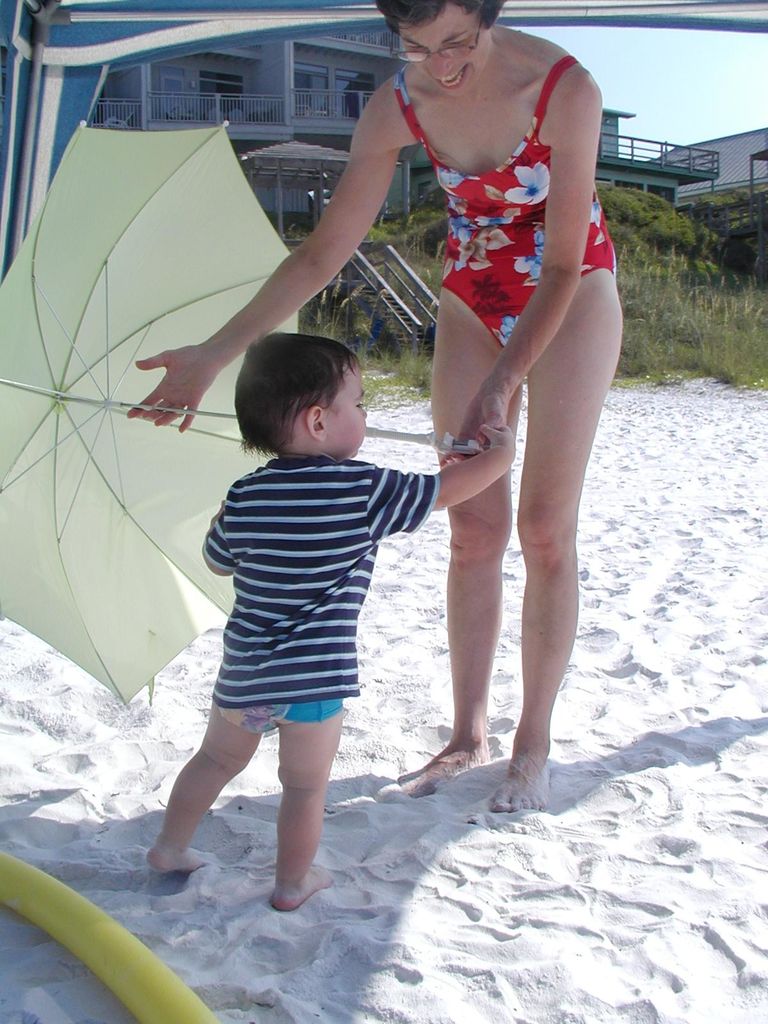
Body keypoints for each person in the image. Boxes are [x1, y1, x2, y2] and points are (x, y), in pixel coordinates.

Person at [130, 0, 623, 814]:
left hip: (573, 295)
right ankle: (469, 733)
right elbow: (324, 251)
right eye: (418, 45)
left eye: (460, 41)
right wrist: (215, 354)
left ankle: (533, 741)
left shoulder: (564, 88)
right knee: (472, 529)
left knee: (543, 527)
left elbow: (564, 267)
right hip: (472, 293)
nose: (443, 63)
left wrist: (503, 382)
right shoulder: (396, 107)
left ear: (491, 15)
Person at [147, 332, 515, 910]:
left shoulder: (245, 494)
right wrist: (501, 455)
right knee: (304, 786)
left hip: (245, 673)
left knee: (216, 759)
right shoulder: (364, 487)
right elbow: (449, 491)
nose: (365, 414)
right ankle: (293, 883)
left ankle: (169, 847)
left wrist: (226, 515)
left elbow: (218, 561)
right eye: (360, 402)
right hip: (314, 681)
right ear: (319, 422)